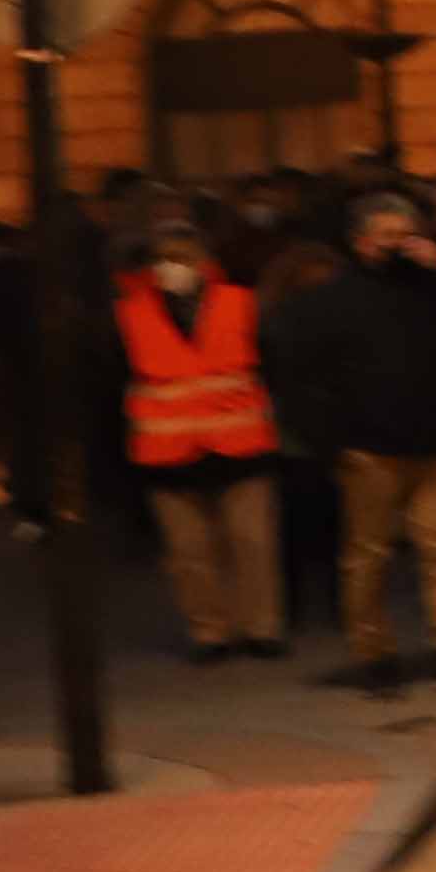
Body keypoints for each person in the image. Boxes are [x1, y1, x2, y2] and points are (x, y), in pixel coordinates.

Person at [275, 191, 436, 694]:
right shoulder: (330, 302)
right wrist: (331, 442)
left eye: (405, 235)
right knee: (368, 555)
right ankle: (375, 651)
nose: (397, 246)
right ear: (360, 241)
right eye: (386, 236)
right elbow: (301, 378)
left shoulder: (433, 290)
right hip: (368, 448)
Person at [115, 216, 286, 665]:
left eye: (182, 259)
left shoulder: (242, 304)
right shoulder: (130, 313)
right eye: (164, 260)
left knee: (252, 541)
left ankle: (261, 626)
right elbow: (113, 379)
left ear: (205, 262)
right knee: (189, 551)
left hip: (241, 443)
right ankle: (209, 631)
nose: (173, 268)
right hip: (168, 452)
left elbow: (274, 363)